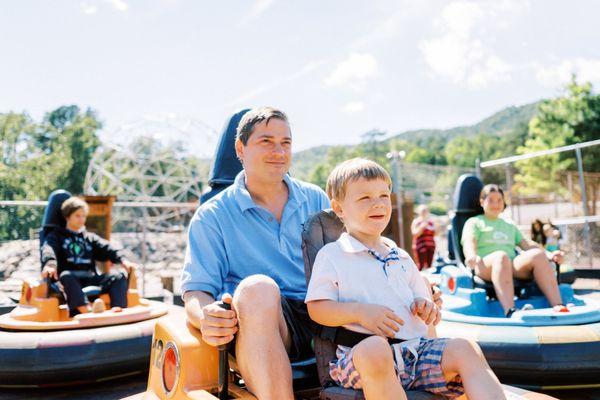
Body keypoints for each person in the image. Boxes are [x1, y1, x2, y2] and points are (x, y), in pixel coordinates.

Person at [306, 158, 504, 400]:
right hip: (362, 356)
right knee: (376, 348)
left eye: (383, 196)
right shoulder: (333, 254)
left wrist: (424, 305)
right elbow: (317, 309)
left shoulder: (400, 256)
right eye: (364, 198)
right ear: (339, 209)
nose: (377, 204)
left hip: (414, 354)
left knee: (466, 348)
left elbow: (419, 296)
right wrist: (359, 312)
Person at [181, 107, 331, 400]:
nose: (279, 151)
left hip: (323, 312)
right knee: (257, 288)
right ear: (240, 148)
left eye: (285, 142)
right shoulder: (212, 216)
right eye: (266, 141)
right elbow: (197, 291)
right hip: (262, 318)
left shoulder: (316, 198)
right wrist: (206, 318)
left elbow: (349, 262)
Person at [461, 184, 567, 318]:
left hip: (509, 264)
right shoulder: (474, 222)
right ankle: (510, 311)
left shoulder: (509, 224)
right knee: (501, 256)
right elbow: (469, 242)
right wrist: (471, 256)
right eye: (491, 200)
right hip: (484, 265)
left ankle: (558, 305)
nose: (496, 204)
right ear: (482, 202)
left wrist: (551, 256)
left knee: (537, 254)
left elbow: (527, 244)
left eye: (499, 200)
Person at [41, 197, 135, 317]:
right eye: (77, 216)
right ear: (67, 217)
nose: (82, 219)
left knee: (117, 276)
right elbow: (48, 250)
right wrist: (50, 264)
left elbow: (107, 248)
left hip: (90, 277)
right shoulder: (56, 236)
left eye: (84, 216)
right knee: (65, 276)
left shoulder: (89, 238)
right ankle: (88, 311)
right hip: (71, 279)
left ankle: (117, 309)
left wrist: (123, 260)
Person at [410, 204, 436, 270]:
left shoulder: (431, 222)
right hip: (420, 246)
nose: (424, 212)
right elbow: (415, 233)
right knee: (420, 265)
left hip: (431, 246)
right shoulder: (416, 222)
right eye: (423, 210)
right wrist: (422, 227)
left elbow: (435, 233)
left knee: (429, 266)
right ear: (419, 212)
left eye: (425, 210)